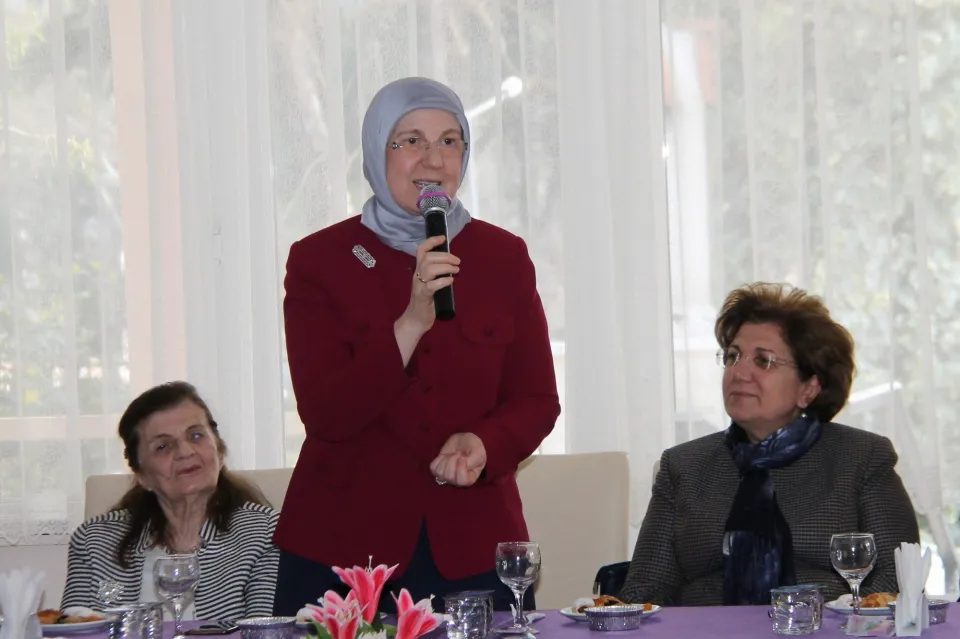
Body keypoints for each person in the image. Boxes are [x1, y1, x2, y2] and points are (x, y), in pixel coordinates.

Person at [272, 76, 560, 615]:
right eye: (410, 141)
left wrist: (484, 443)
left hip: (471, 545)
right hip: (342, 549)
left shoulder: (503, 256)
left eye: (449, 141)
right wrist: (410, 323)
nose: (433, 159)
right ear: (376, 152)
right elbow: (325, 414)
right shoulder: (320, 261)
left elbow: (537, 401)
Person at [620, 283, 918, 606]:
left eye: (763, 361)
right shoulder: (684, 466)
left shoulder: (861, 458)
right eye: (733, 357)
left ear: (809, 388)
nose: (739, 372)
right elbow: (644, 592)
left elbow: (897, 582)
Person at [62, 381, 279, 619]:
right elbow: (72, 629)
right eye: (163, 446)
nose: (185, 452)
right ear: (141, 475)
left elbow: (268, 631)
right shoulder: (93, 541)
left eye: (196, 435)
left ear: (219, 451)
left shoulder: (265, 533)